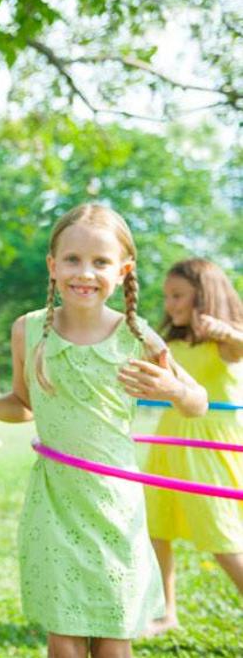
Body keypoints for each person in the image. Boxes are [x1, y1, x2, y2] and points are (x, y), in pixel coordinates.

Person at [0, 203, 207, 657]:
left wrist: (174, 388)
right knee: (64, 636)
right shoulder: (29, 331)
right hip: (56, 500)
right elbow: (24, 406)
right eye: (73, 260)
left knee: (114, 634)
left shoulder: (135, 336)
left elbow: (196, 405)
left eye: (100, 262)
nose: (85, 273)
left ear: (123, 270)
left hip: (115, 503)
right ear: (53, 266)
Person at [142, 258, 243, 635]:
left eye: (178, 295)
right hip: (171, 439)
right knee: (157, 528)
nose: (170, 304)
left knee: (221, 536)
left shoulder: (225, 343)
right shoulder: (170, 343)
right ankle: (166, 612)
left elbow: (240, 348)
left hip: (209, 446)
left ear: (205, 296)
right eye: (168, 296)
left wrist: (226, 331)